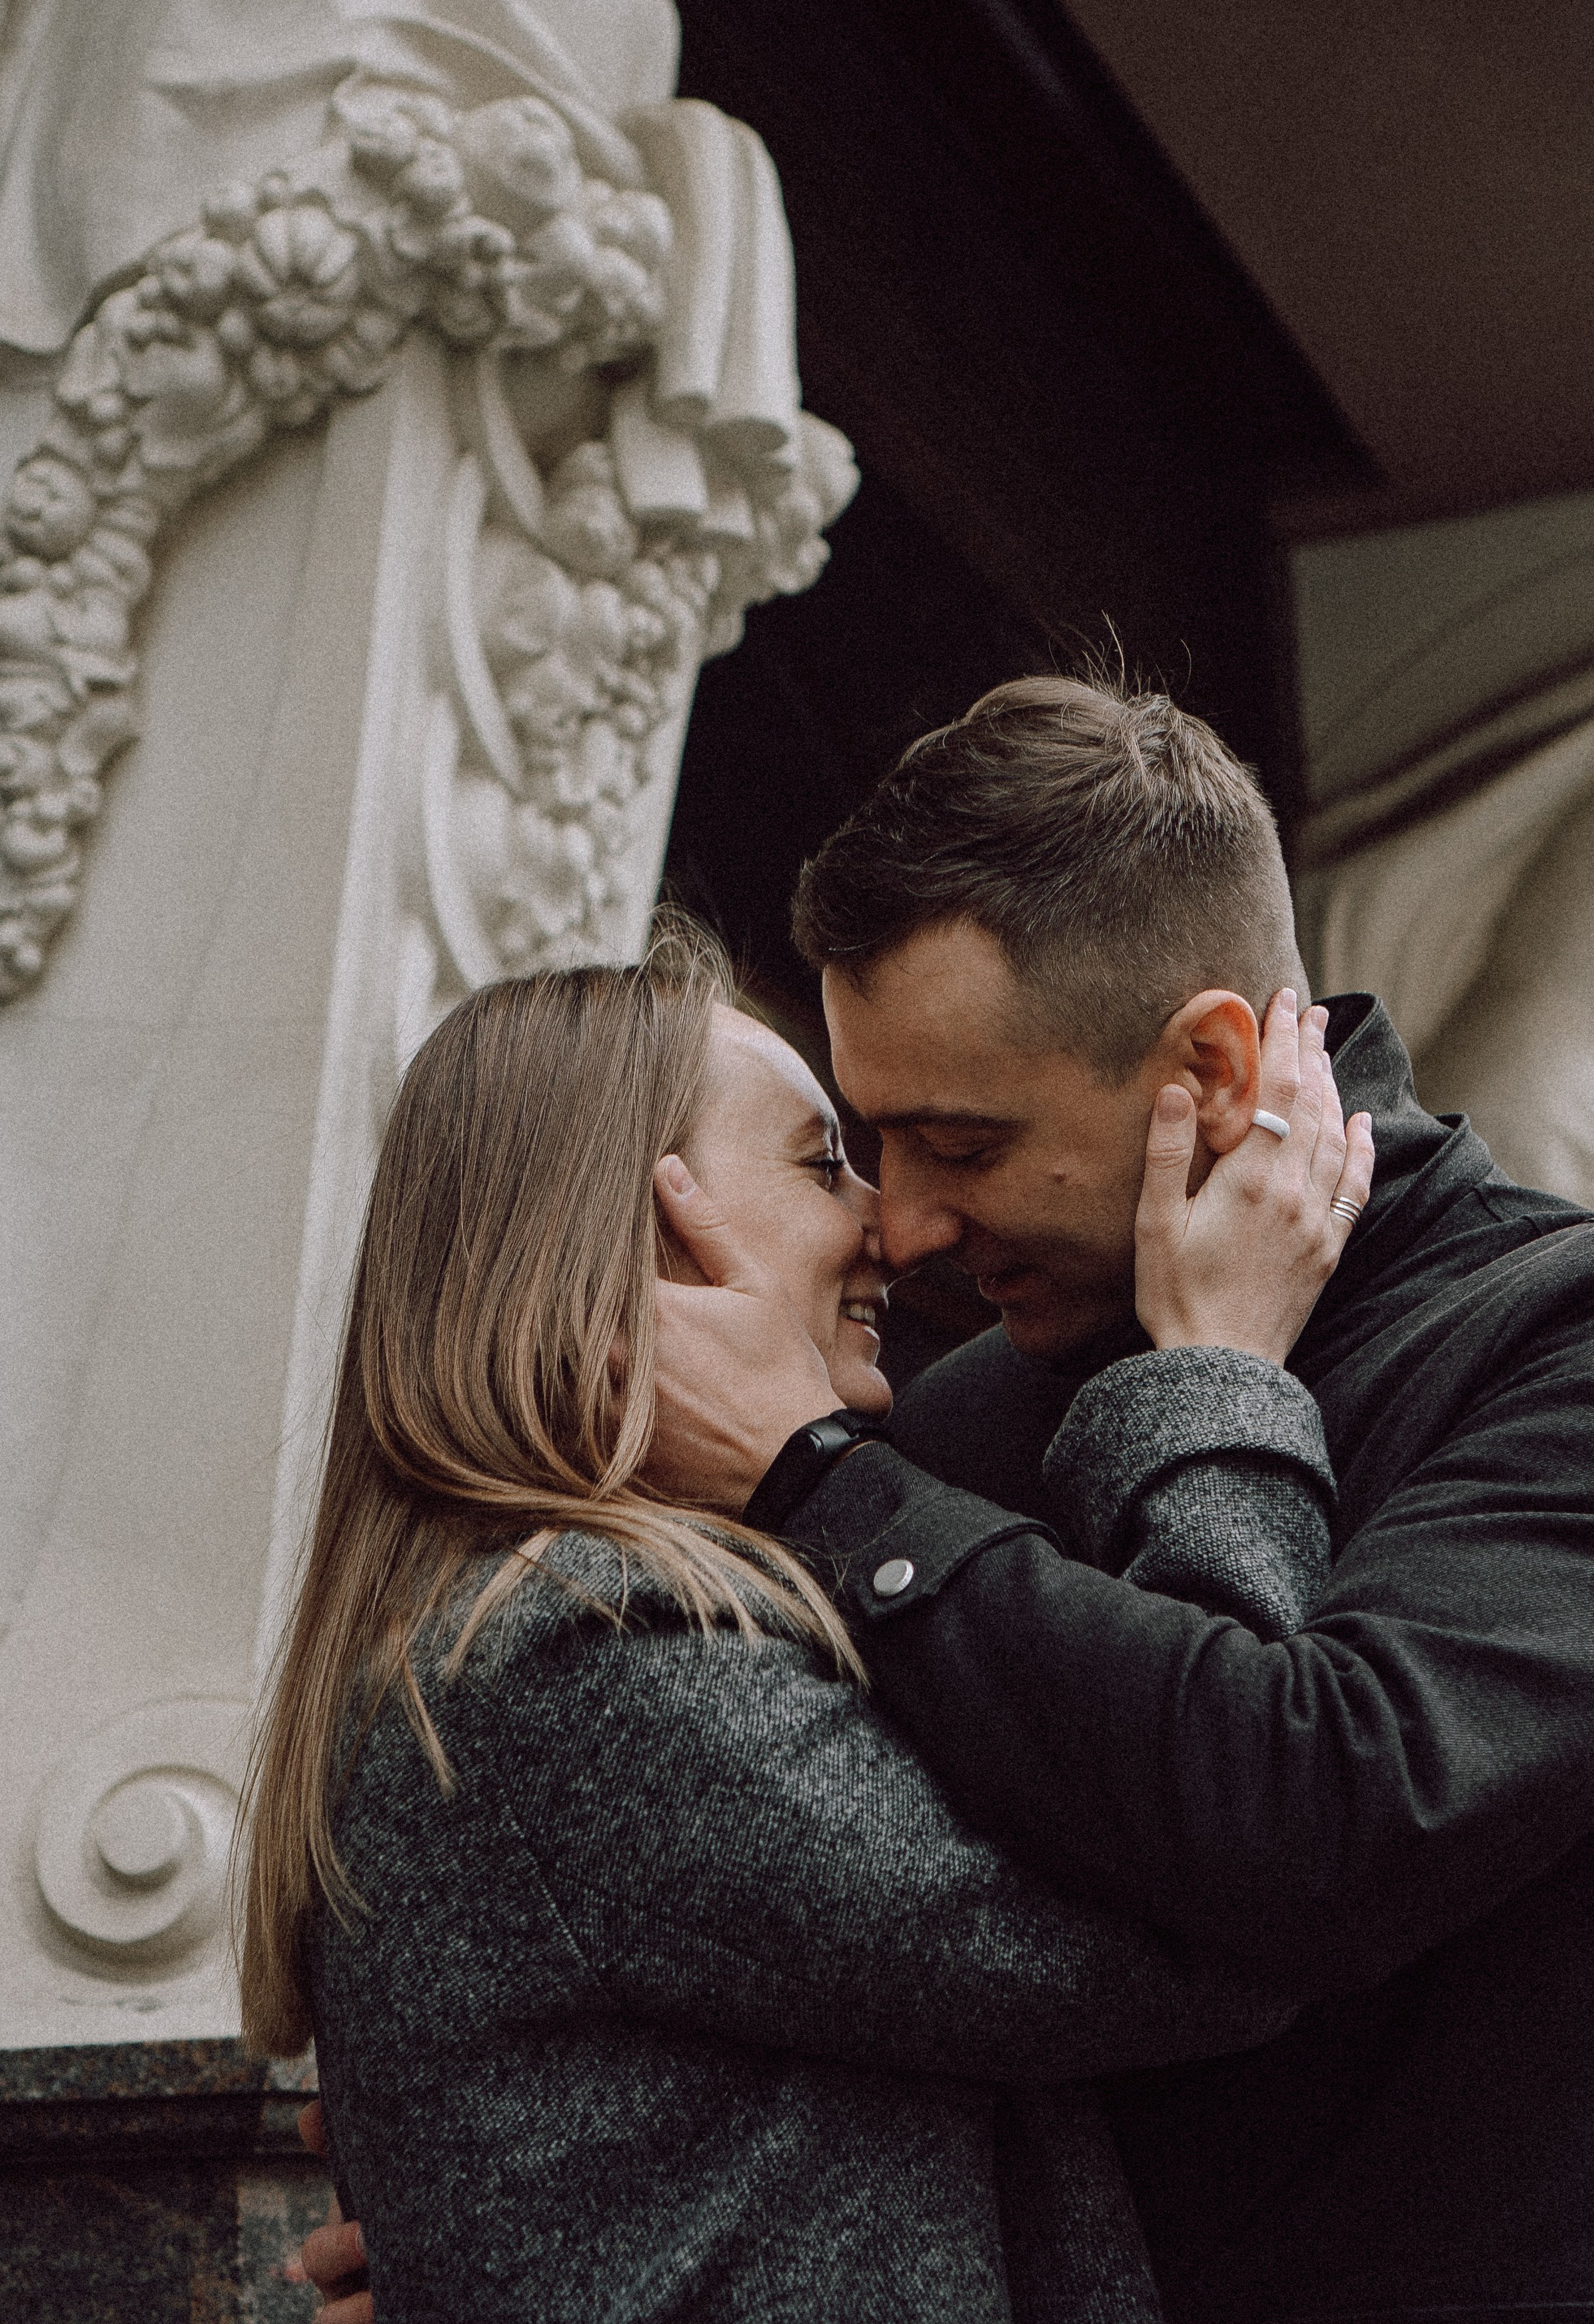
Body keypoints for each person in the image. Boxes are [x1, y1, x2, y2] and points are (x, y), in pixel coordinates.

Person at [634, 675, 1594, 2324]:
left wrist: (820, 1491)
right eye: (868, 1143)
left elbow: (1321, 1827)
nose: (901, 1225)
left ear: (1209, 1064)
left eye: (958, 1142)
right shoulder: (948, 1417)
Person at [251, 917, 1372, 2323]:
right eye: (819, 1159)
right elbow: (1213, 1906)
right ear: (639, 1237)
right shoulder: (585, 1660)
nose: (887, 1226)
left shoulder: (539, 1635)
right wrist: (1213, 1371)